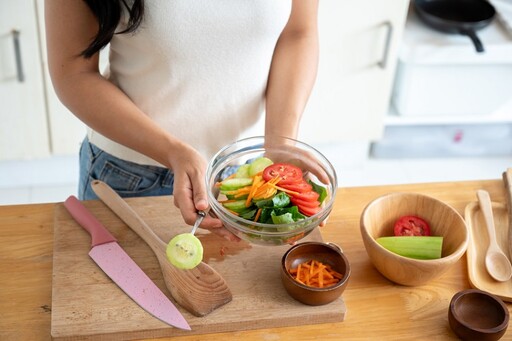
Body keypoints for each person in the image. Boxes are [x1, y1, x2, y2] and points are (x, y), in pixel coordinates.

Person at [45, 0, 319, 240]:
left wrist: (280, 144)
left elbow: (298, 32)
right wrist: (172, 151)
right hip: (130, 177)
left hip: (248, 172)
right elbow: (72, 73)